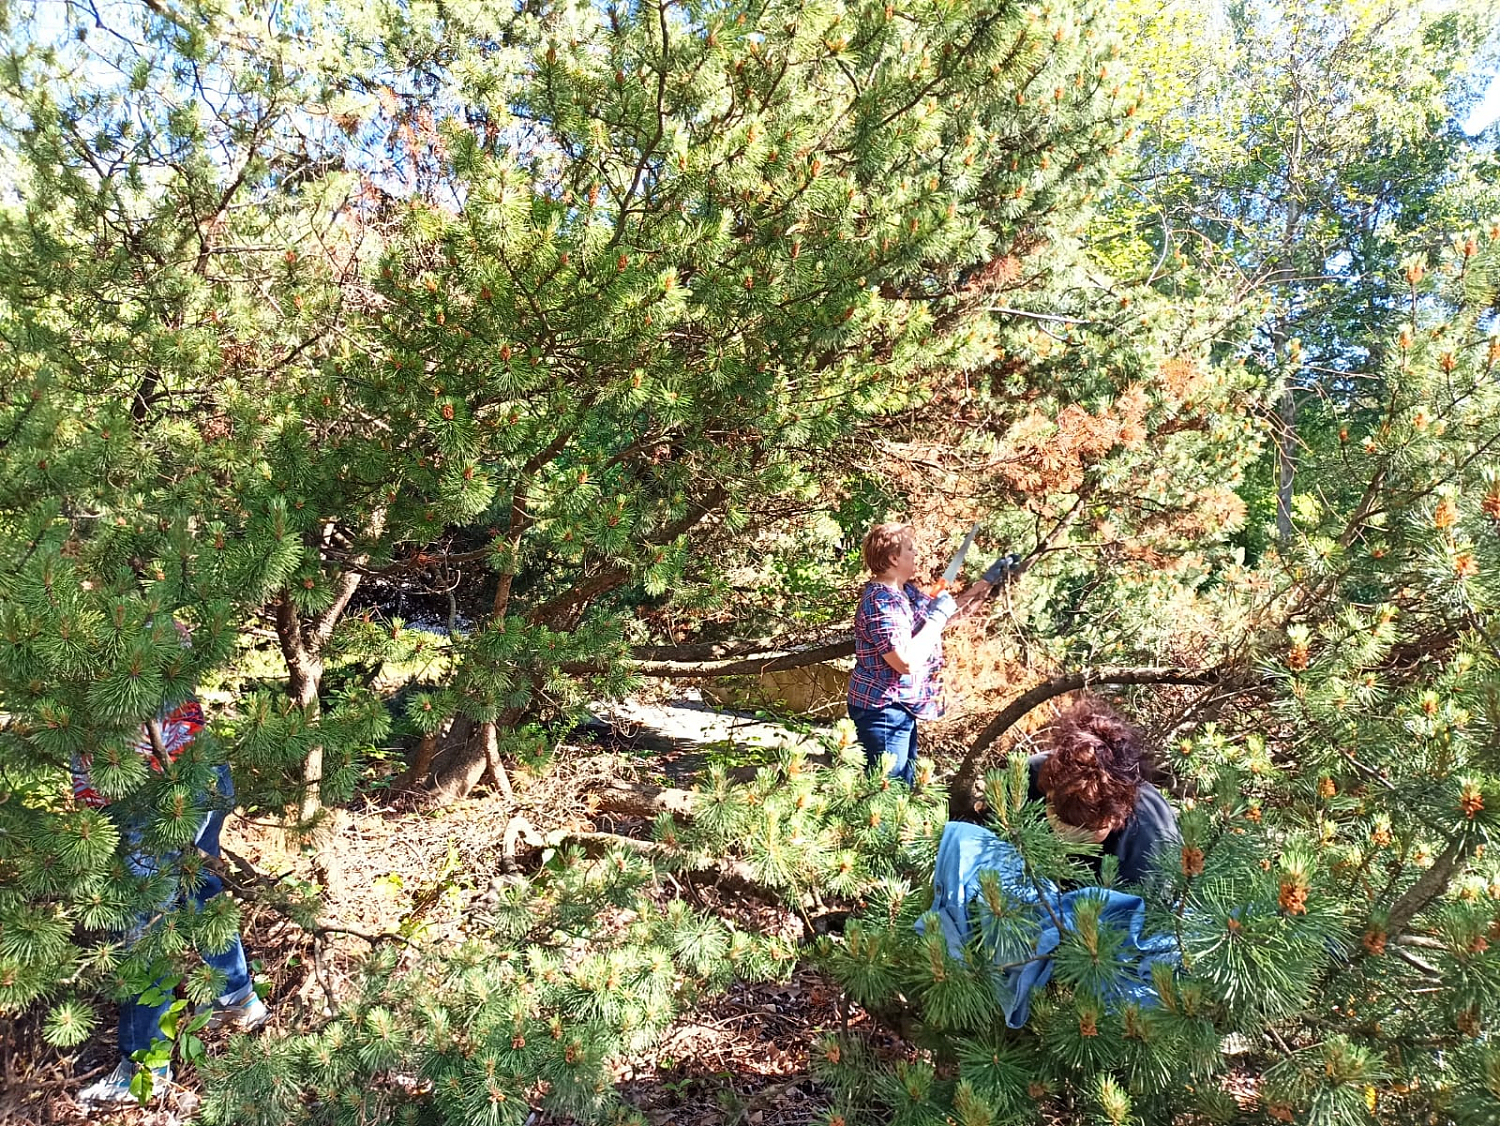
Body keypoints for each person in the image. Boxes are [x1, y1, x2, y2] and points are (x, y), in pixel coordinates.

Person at [75, 632, 269, 1106]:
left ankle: (144, 1072)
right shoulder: (155, 610)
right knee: (199, 887)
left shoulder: (88, 627)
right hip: (199, 767)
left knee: (144, 924)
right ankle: (237, 999)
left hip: (150, 792)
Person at [848, 522, 985, 786]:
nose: (916, 554)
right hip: (883, 709)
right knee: (888, 792)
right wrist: (937, 615)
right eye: (910, 549)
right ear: (893, 558)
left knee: (903, 787)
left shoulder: (905, 593)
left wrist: (987, 582)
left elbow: (947, 617)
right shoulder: (881, 601)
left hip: (900, 707)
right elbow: (906, 662)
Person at [1026, 696, 1181, 888]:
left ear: (1118, 816)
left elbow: (1152, 905)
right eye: (1058, 818)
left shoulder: (1151, 848)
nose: (1067, 837)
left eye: (1088, 830)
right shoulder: (1032, 775)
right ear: (1048, 791)